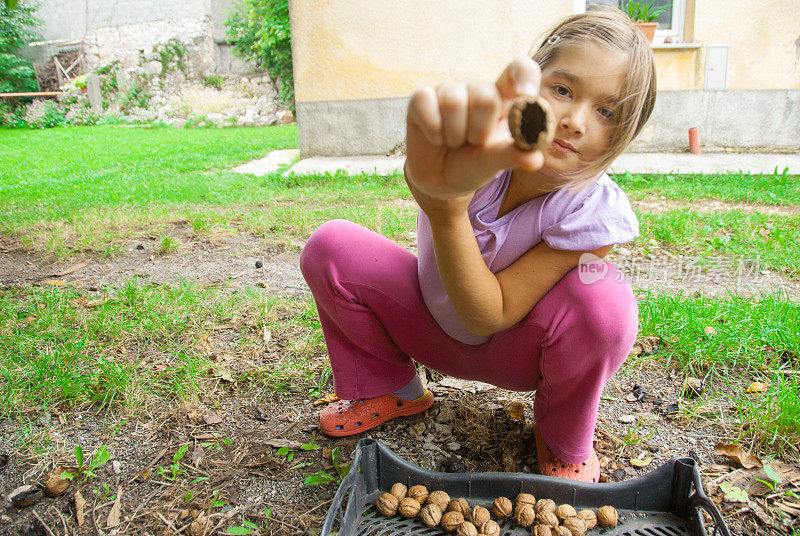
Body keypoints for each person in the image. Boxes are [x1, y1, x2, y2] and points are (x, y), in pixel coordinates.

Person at [299, 8, 656, 483]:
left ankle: (561, 437)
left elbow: (489, 314)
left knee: (605, 301)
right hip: (426, 323)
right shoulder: (479, 146)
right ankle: (394, 387)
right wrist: (428, 178)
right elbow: (429, 166)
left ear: (624, 134)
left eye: (606, 111)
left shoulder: (591, 214)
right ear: (531, 83)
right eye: (563, 90)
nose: (574, 120)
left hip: (515, 350)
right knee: (331, 246)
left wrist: (448, 214)